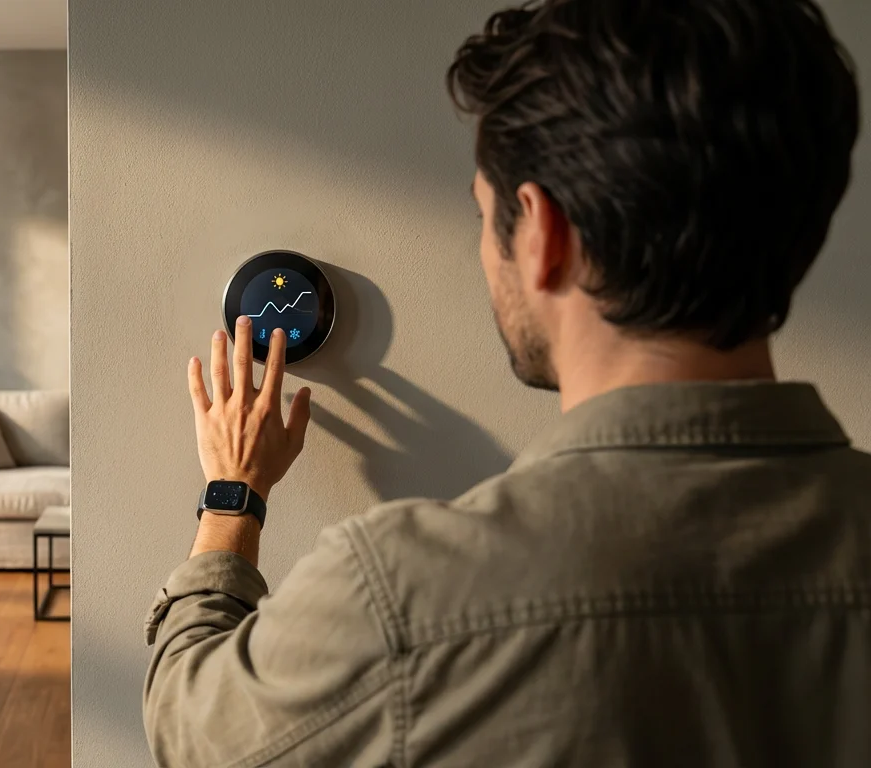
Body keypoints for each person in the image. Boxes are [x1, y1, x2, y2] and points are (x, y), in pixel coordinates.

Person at [142, 0, 867, 765]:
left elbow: (194, 734)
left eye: (485, 216)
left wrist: (233, 495)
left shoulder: (402, 592)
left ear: (543, 234)